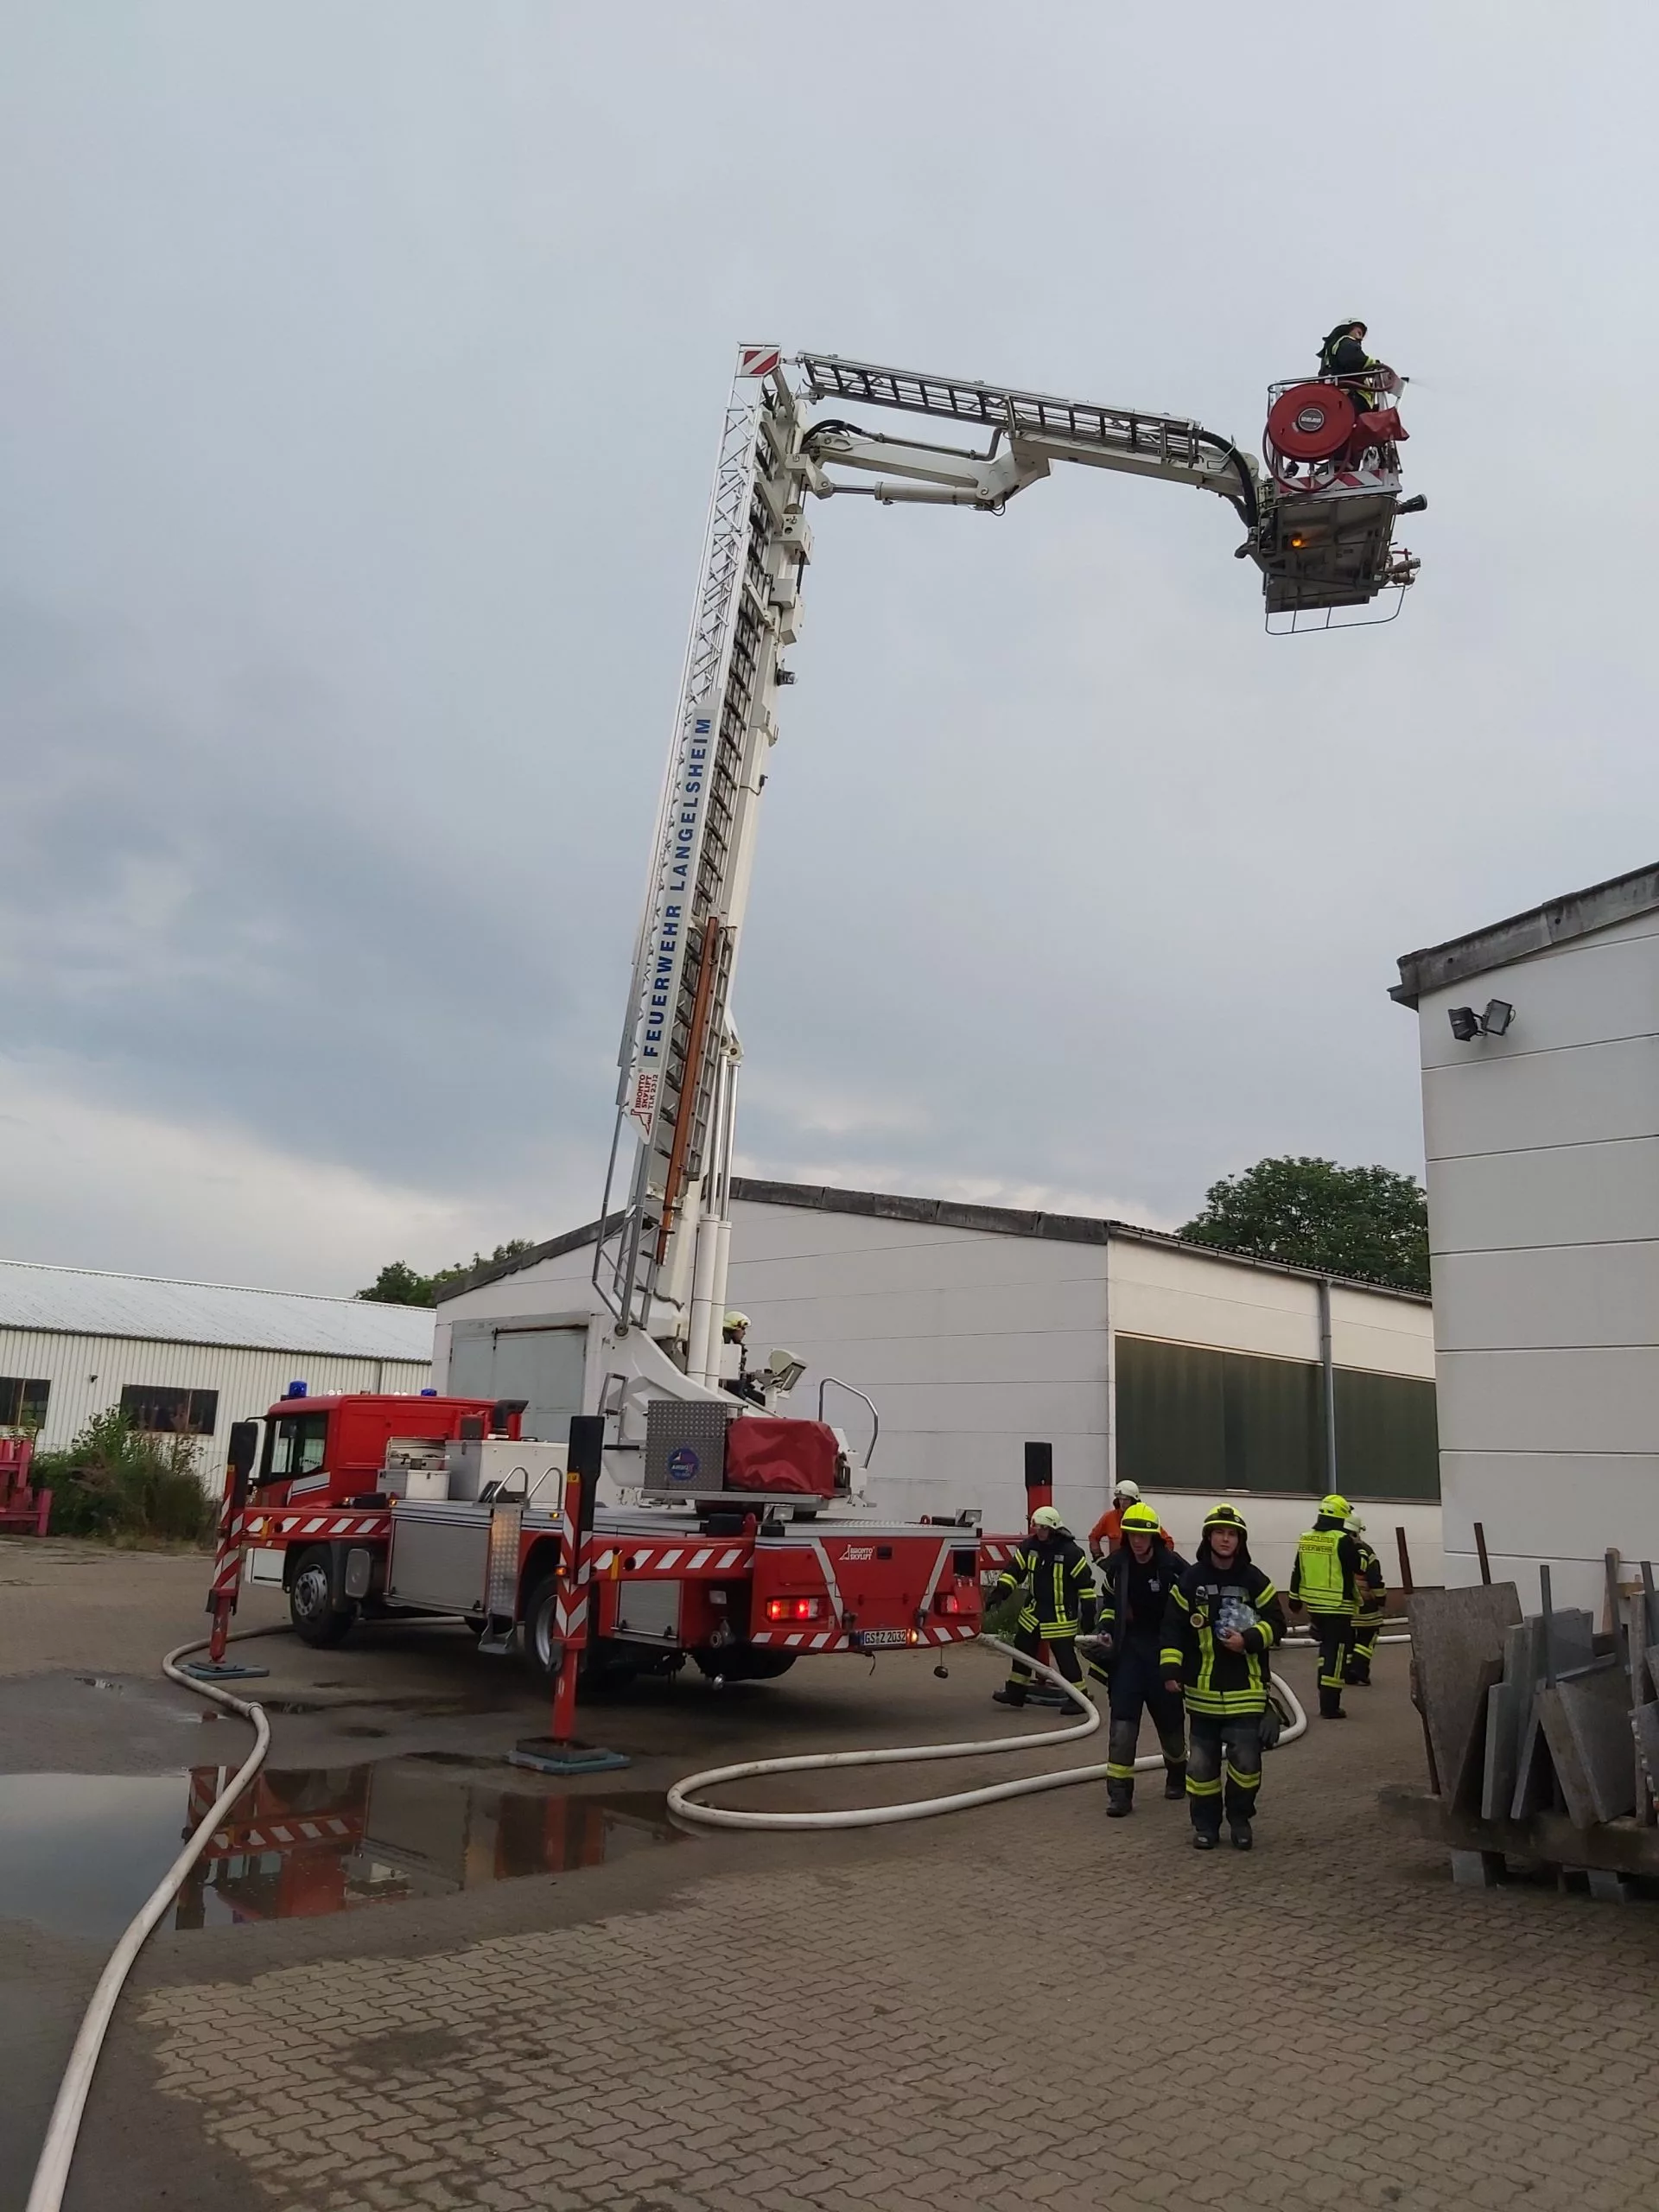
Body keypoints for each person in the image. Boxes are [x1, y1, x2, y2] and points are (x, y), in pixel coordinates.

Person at [1160, 1503, 1286, 1852]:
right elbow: (1172, 1627)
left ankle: (1240, 1819)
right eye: (1220, 1533)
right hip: (1202, 1693)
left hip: (1245, 1691)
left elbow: (1278, 1623)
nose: (1225, 1539)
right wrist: (1170, 1668)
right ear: (1209, 1538)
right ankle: (1205, 1825)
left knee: (1246, 1765)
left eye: (1231, 1534)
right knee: (1201, 1770)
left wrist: (1248, 1639)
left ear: (1240, 1540)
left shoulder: (1254, 1580)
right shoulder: (1192, 1579)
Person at [1089, 1501, 1189, 1816]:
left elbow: (1190, 1608)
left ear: (1154, 1537)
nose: (1137, 1541)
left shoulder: (1173, 1569)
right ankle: (1119, 1793)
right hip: (1129, 1653)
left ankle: (1176, 1774)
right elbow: (1108, 1606)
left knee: (1171, 1725)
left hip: (1164, 1652)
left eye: (1143, 1535)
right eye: (1132, 1534)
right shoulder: (1119, 1568)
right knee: (1122, 1725)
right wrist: (1105, 1629)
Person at [989, 1504, 1097, 1707]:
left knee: (1065, 1656)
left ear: (1054, 1528)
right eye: (1036, 1527)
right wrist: (1000, 1592)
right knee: (1022, 1649)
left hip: (1060, 1615)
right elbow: (1015, 1571)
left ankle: (1078, 1698)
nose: (1038, 1531)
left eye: (1043, 1528)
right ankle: (1016, 1691)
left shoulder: (1071, 1552)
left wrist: (1089, 1613)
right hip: (1034, 1611)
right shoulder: (1030, 1546)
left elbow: (1085, 1586)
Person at [1289, 1492, 1363, 1719]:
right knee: (1337, 1655)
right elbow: (1359, 1566)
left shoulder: (1306, 1538)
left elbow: (1297, 1570)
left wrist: (1294, 1599)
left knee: (1325, 1651)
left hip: (1316, 1608)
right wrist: (1358, 1547)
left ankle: (1324, 1693)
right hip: (1338, 1607)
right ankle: (1330, 1706)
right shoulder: (1342, 1540)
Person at [1344, 1514, 1387, 1687]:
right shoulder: (1365, 1551)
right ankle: (1359, 1670)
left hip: (1343, 1605)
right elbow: (1374, 1578)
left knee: (1347, 1639)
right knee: (1367, 1636)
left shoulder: (1336, 1548)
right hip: (1365, 1604)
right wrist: (1381, 1597)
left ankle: (1347, 1673)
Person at [1086, 1479, 1166, 1560]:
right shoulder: (1109, 1517)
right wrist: (1098, 1557)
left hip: (1138, 1566)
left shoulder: (1144, 1518)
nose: (1122, 1503)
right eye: (1120, 1499)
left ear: (1134, 1500)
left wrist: (1158, 1561)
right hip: (1116, 1568)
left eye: (1126, 1499)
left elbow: (1167, 1542)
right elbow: (1093, 1537)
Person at [1318, 318, 1385, 409]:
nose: (1360, 338)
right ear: (1346, 329)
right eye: (1359, 332)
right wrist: (1376, 365)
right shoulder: (1345, 341)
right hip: (1351, 397)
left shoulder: (1331, 350)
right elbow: (1354, 361)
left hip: (1338, 395)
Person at [718, 1311, 765, 1407]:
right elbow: (728, 1375)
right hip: (731, 1391)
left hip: (736, 1388)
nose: (744, 1333)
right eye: (742, 1329)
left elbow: (735, 1371)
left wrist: (749, 1377)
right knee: (761, 1400)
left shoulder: (733, 1346)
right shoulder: (725, 1346)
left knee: (761, 1399)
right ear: (734, 1328)